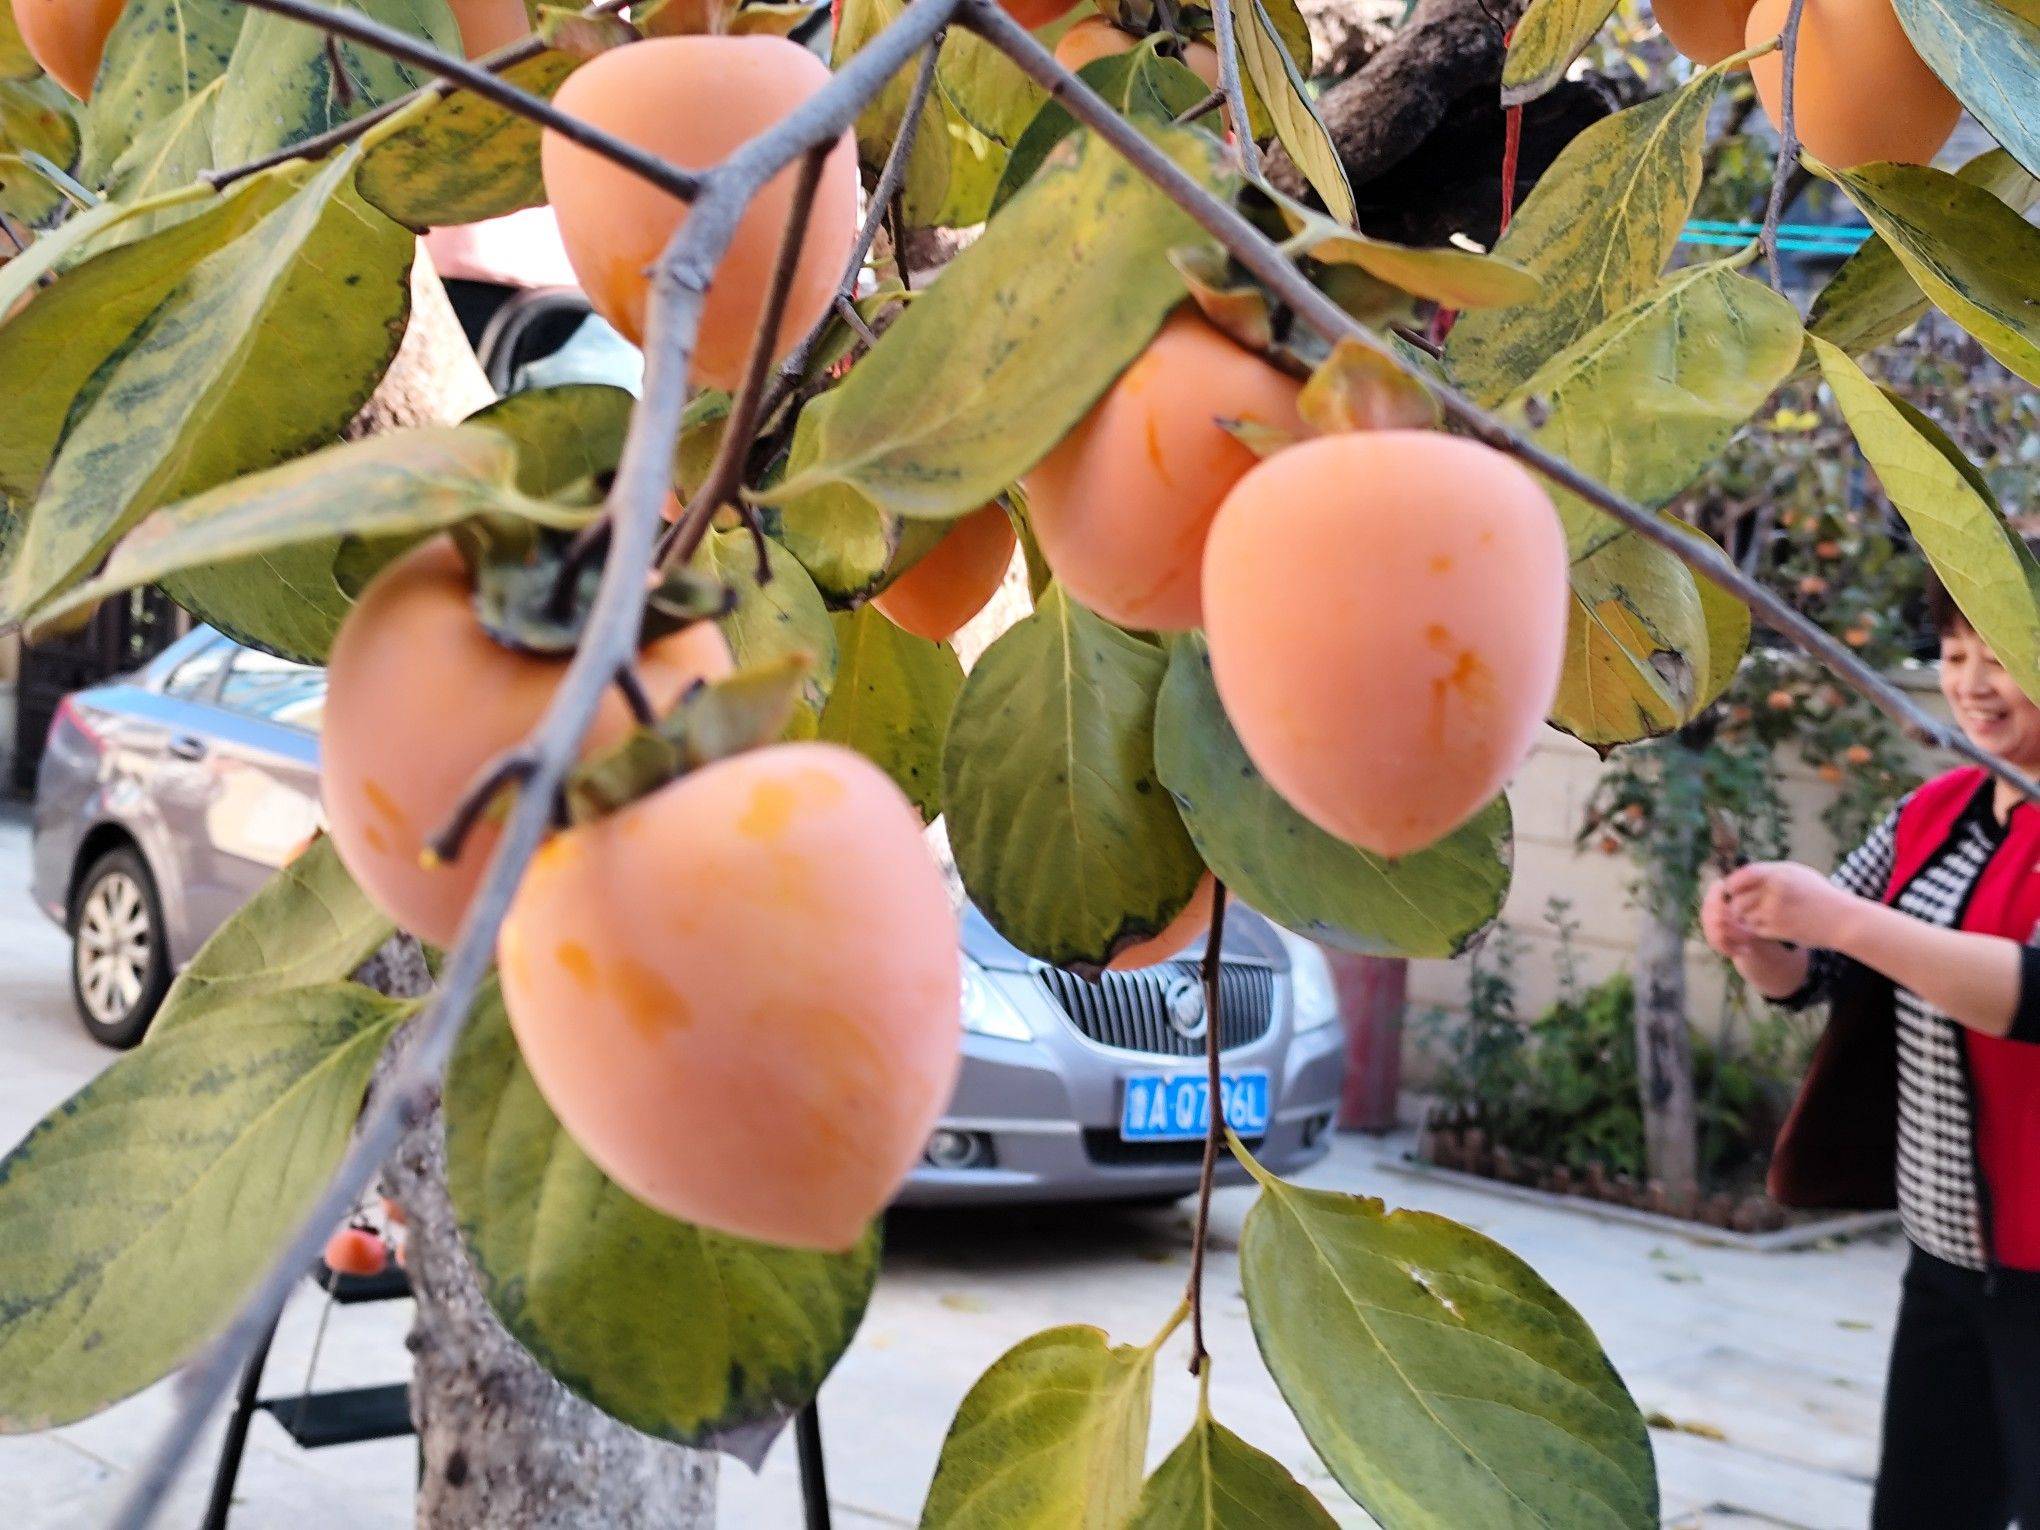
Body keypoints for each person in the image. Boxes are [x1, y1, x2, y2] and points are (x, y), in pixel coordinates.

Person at [1701, 574, 2040, 1530]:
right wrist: (1760, 937)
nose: (1972, 681)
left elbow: (2030, 991)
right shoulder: (1933, 816)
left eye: (2001, 654)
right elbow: (1819, 977)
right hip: (1945, 1260)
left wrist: (1845, 920)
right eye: (1955, 653)